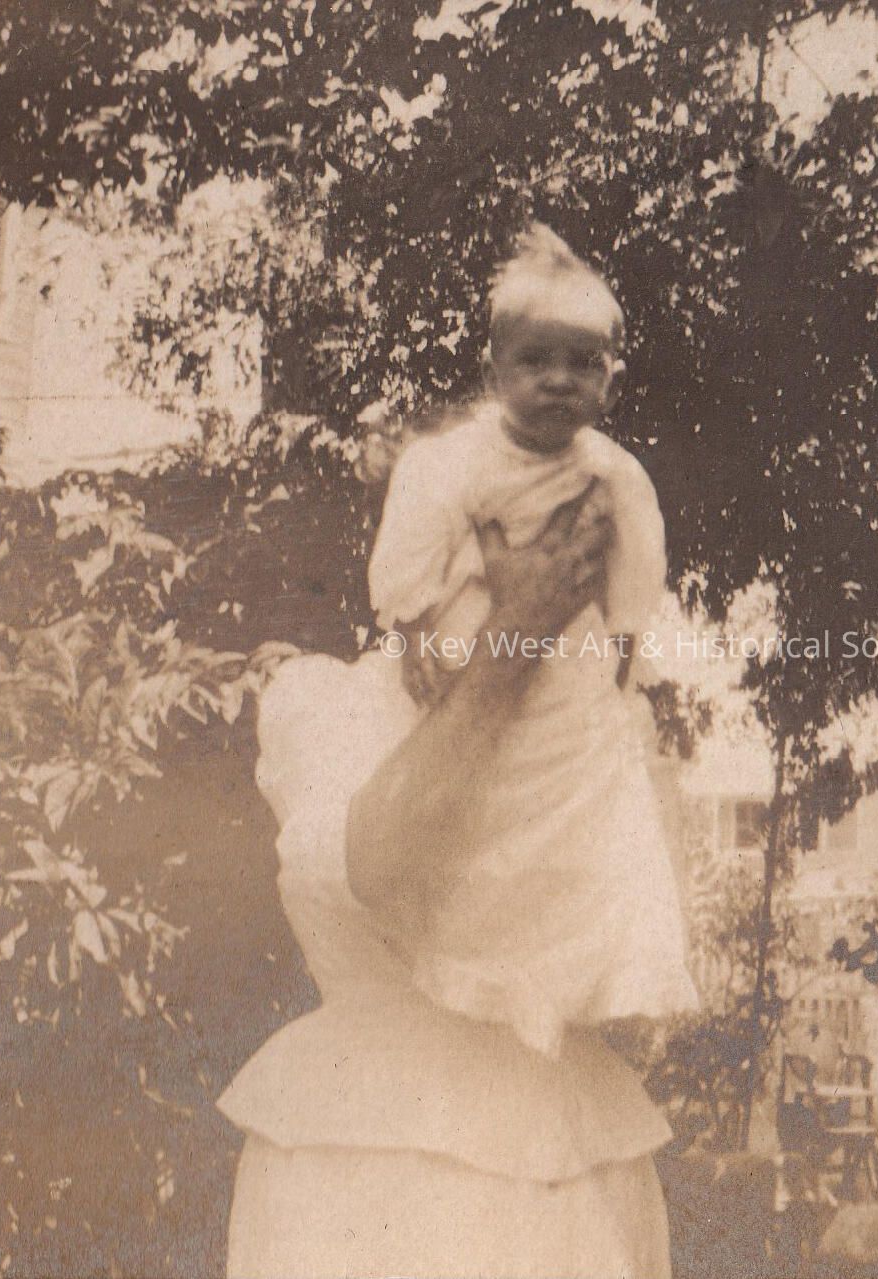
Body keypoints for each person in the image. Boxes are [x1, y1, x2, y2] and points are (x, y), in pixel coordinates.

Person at [219, 486, 679, 1278]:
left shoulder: (590, 739)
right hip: (354, 1158)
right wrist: (504, 655)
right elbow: (371, 870)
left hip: (555, 1167)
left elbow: (617, 959)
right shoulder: (327, 703)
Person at [358, 222, 697, 1058]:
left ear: (612, 377)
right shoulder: (451, 461)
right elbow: (409, 555)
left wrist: (619, 668)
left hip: (571, 667)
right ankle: (474, 972)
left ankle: (593, 977)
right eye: (536, 360)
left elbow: (633, 581)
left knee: (586, 812)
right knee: (480, 816)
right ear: (494, 371)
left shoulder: (614, 474)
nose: (558, 381)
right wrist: (413, 633)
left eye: (584, 363)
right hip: (468, 647)